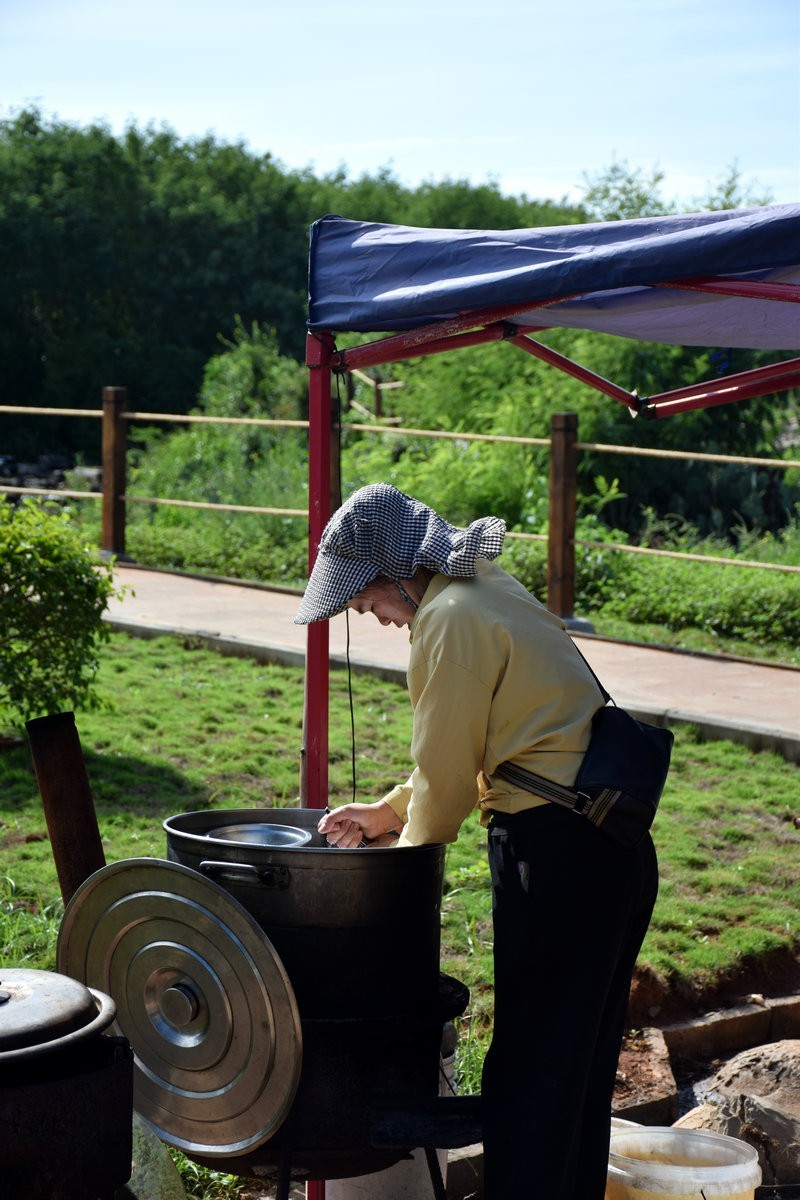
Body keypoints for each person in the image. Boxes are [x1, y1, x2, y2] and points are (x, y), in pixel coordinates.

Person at [295, 483, 658, 1200]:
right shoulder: (481, 584)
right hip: (607, 852)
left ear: (397, 572)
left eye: (367, 600)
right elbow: (476, 743)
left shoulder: (449, 619)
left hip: (556, 857)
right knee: (574, 1066)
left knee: (530, 1069)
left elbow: (450, 781)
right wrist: (390, 809)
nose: (374, 616)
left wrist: (395, 879)